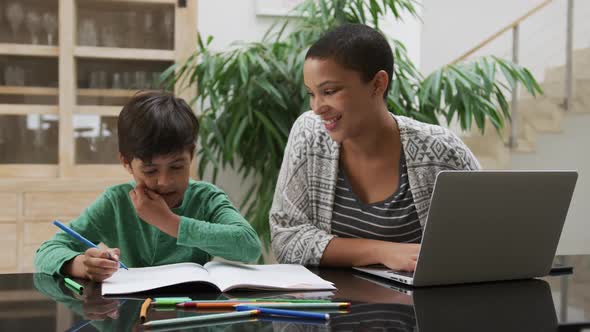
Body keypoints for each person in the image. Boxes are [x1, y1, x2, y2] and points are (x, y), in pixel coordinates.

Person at [270, 24, 480, 271]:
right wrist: (382, 251)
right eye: (311, 93)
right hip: (333, 306)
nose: (317, 107)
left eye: (329, 91)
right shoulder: (309, 133)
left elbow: (486, 238)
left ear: (378, 84)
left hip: (420, 307)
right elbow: (286, 238)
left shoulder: (441, 150)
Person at [35, 91, 261, 281]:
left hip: (190, 313)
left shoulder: (206, 198)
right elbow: (46, 252)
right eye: (150, 170)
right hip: (131, 313)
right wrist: (81, 264)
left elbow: (249, 247)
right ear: (126, 163)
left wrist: (169, 221)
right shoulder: (116, 202)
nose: (164, 181)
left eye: (176, 167)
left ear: (191, 155)